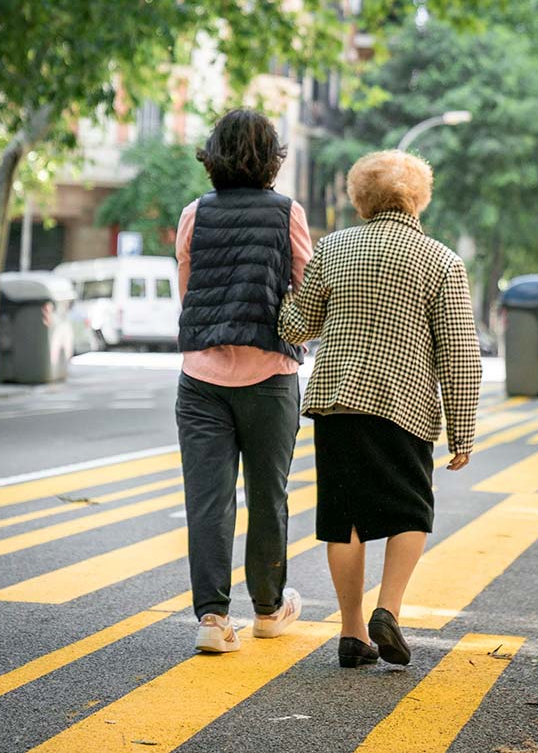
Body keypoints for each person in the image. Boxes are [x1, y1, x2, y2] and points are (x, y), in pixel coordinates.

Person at [279, 150, 482, 669]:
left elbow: (296, 327)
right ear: (420, 199)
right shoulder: (442, 261)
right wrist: (463, 431)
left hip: (338, 401)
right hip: (405, 403)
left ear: (359, 199)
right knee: (410, 509)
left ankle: (350, 633)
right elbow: (459, 352)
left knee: (343, 518)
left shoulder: (334, 249)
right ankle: (387, 609)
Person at [175, 108, 312, 654]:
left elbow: (187, 290)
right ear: (272, 160)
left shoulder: (195, 214)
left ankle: (212, 619)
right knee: (267, 494)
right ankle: (268, 610)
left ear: (213, 156)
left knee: (208, 501)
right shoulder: (287, 213)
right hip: (270, 377)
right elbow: (305, 287)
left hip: (201, 377)